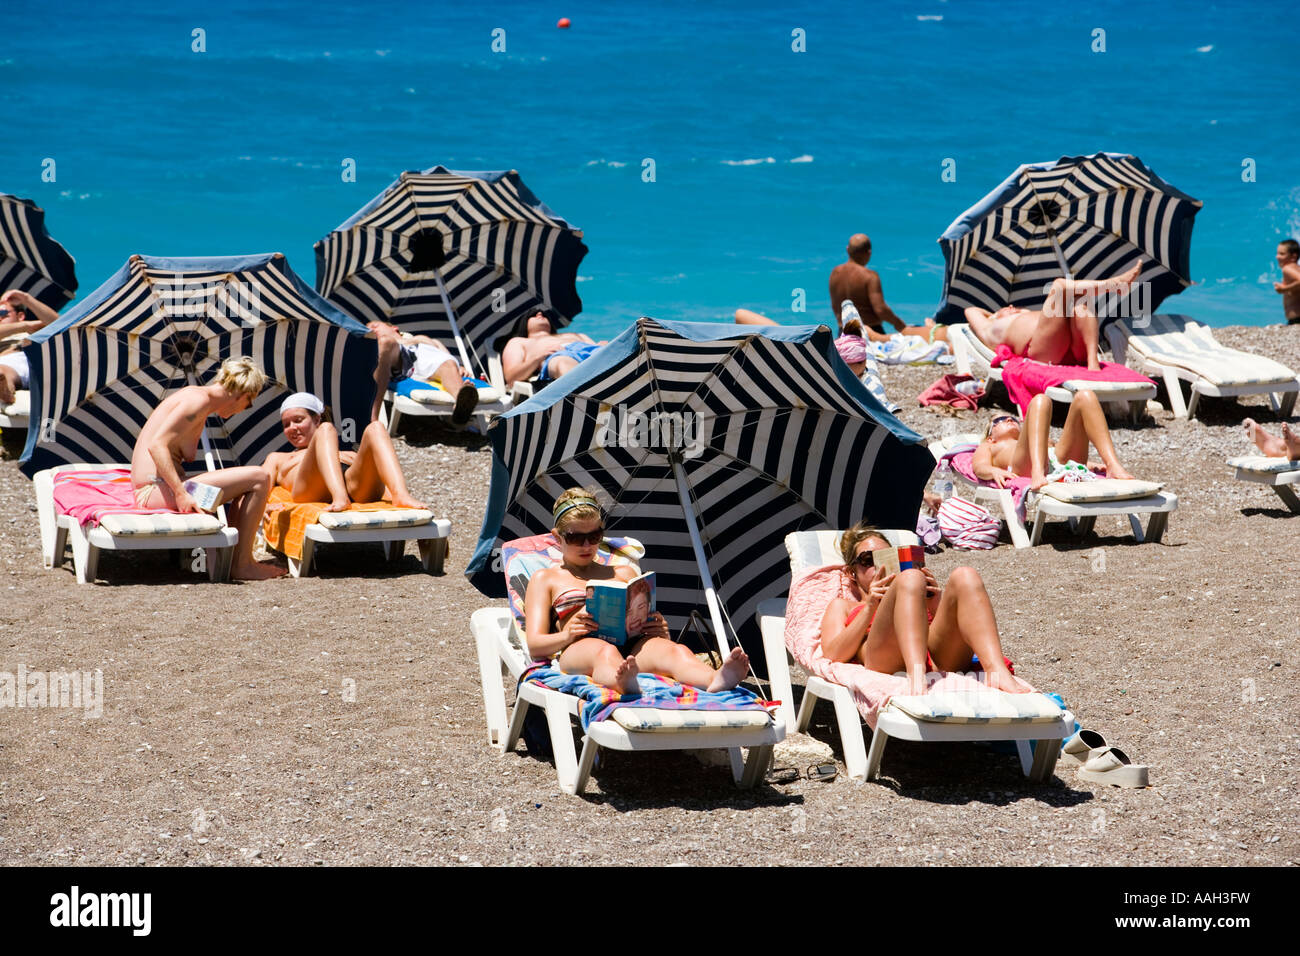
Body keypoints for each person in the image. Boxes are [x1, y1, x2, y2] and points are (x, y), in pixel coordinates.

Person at [524, 488, 749, 695]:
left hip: (632, 647)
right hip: (577, 649)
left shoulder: (623, 572)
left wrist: (658, 628)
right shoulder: (546, 578)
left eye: (594, 537)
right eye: (575, 538)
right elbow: (535, 645)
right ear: (557, 536)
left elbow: (644, 617)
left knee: (674, 650)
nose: (586, 546)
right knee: (603, 652)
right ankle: (621, 682)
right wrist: (568, 634)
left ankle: (716, 679)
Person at [819, 522, 1033, 697]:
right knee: (910, 577)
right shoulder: (843, 605)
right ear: (851, 573)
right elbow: (833, 655)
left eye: (888, 557)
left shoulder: (913, 587)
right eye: (867, 560)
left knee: (965, 575)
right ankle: (916, 676)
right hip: (885, 658)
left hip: (937, 656)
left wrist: (935, 601)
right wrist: (869, 607)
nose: (879, 567)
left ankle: (997, 671)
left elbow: (958, 632)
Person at [130, 357, 285, 580]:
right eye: (249, 402)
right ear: (242, 393)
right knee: (260, 477)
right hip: (153, 490)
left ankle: (235, 558)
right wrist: (181, 493)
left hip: (156, 488)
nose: (245, 409)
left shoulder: (198, 399)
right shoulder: (197, 401)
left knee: (248, 483)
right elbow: (157, 446)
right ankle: (242, 564)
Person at [964, 261, 1143, 371]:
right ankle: (1115, 285)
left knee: (1079, 301)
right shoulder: (989, 329)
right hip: (1040, 351)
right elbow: (970, 310)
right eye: (1005, 308)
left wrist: (1010, 312)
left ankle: (1092, 362)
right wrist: (995, 315)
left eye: (1013, 306)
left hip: (1069, 348)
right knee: (1059, 286)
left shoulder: (1022, 315)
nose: (1011, 306)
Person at [262, 392, 426, 512]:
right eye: (286, 424)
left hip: (354, 486)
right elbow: (258, 487)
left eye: (298, 420)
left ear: (316, 419)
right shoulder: (277, 458)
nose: (292, 428)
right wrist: (263, 508)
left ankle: (401, 495)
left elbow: (377, 476)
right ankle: (340, 497)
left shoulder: (345, 452)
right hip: (310, 490)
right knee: (327, 429)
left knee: (375, 427)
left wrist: (389, 495)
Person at [972, 390, 1135, 492]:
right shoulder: (989, 445)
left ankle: (1113, 464)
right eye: (1000, 420)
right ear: (990, 436)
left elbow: (1057, 452)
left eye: (1012, 418)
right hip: (1026, 466)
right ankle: (1037, 471)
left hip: (1056, 462)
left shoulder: (1037, 436)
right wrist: (993, 471)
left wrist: (1091, 465)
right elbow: (979, 466)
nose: (1009, 420)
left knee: (1085, 396)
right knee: (1040, 400)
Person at [829, 234, 948, 344]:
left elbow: (835, 306)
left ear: (847, 249)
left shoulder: (835, 273)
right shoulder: (869, 276)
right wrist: (900, 325)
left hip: (843, 331)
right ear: (869, 253)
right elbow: (880, 310)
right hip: (871, 332)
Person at [367, 320, 478, 427]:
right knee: (386, 341)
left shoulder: (423, 339)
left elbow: (446, 358)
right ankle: (371, 420)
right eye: (368, 329)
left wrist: (459, 367)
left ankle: (461, 402)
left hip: (429, 358)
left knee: (447, 363)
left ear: (394, 327)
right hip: (400, 358)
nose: (371, 329)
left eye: (375, 325)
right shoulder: (382, 345)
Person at [499, 309, 604, 387]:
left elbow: (597, 349)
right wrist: (540, 356)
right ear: (523, 323)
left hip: (591, 352)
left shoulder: (577, 335)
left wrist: (605, 347)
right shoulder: (519, 341)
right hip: (557, 356)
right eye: (533, 315)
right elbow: (511, 377)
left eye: (544, 315)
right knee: (563, 362)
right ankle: (587, 395)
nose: (540, 314)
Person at [0, 289, 62, 406]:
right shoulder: (26, 326)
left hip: (24, 356)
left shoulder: (31, 331)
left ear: (21, 315)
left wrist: (26, 299)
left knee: (5, 368)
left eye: (2, 313)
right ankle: (3, 386)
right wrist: (23, 326)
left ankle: (5, 387)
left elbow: (61, 325)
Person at [1274, 239, 1300, 324]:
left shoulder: (1287, 268)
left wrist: (1284, 289)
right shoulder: (1297, 268)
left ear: (1293, 257)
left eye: (1282, 254)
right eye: (1277, 253)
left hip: (1296, 319)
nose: (1277, 257)